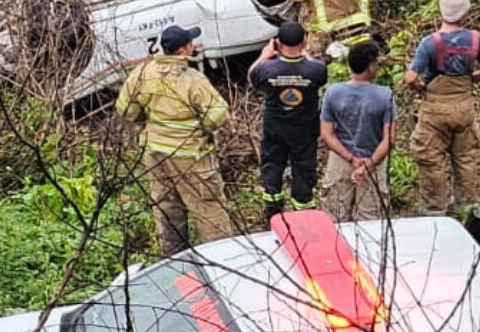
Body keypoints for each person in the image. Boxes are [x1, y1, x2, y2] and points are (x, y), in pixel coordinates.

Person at [116, 24, 234, 253]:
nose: (194, 45)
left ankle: (174, 263)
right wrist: (202, 130)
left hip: (156, 155)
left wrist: (147, 124)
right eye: (190, 43)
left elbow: (125, 110)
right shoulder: (192, 79)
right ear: (183, 50)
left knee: (167, 209)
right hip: (192, 156)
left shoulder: (141, 73)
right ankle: (221, 259)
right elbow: (218, 115)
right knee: (209, 210)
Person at [402, 0, 480, 214]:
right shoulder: (476, 39)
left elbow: (410, 78)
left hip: (435, 111)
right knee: (465, 160)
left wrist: (422, 89)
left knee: (431, 161)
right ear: (465, 13)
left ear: (441, 11)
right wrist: (470, 81)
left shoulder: (430, 43)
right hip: (464, 108)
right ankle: (466, 211)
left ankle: (434, 211)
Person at [248, 19, 329, 224]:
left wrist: (265, 55)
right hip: (304, 132)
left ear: (278, 43)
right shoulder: (316, 70)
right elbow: (313, 65)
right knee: (303, 169)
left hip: (275, 129)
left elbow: (252, 76)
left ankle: (273, 212)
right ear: (304, 41)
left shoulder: (266, 70)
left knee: (273, 166)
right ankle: (303, 213)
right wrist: (305, 52)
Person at [319, 41, 396, 222]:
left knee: (334, 218)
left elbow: (327, 134)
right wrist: (368, 164)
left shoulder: (333, 92)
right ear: (370, 67)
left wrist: (351, 159)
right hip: (374, 160)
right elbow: (389, 139)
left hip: (340, 160)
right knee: (371, 220)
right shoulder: (385, 95)